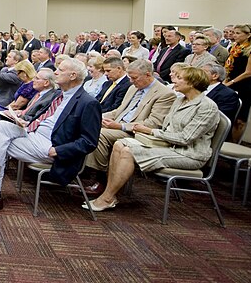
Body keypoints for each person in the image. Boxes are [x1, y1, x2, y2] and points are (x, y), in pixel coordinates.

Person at [0, 58, 102, 210]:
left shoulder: (88, 103)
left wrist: (58, 150)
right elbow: (47, 118)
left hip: (52, 146)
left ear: (73, 76)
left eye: (60, 70)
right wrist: (27, 122)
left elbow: (89, 141)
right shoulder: (60, 95)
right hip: (34, 133)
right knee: (1, 127)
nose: (55, 72)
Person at [85, 66, 220, 212]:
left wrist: (150, 131)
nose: (174, 79)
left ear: (193, 83)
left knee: (128, 151)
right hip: (169, 145)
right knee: (119, 144)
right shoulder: (181, 100)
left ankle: (107, 197)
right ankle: (108, 194)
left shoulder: (207, 106)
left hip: (189, 154)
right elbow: (167, 128)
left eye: (180, 78)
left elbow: (185, 139)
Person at [83, 59, 176, 195]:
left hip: (137, 132)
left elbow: (152, 123)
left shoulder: (165, 94)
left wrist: (120, 126)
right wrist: (100, 116)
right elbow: (120, 111)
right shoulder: (133, 88)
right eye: (130, 77)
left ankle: (102, 178)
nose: (131, 81)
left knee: (99, 134)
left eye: (134, 78)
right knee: (87, 125)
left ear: (148, 75)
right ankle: (81, 170)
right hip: (118, 126)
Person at [223, 23, 251, 140]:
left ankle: (235, 144)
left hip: (245, 86)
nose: (234, 35)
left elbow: (248, 72)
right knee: (231, 116)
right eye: (233, 33)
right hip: (231, 83)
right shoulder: (234, 48)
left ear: (248, 35)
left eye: (237, 33)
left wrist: (230, 83)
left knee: (240, 119)